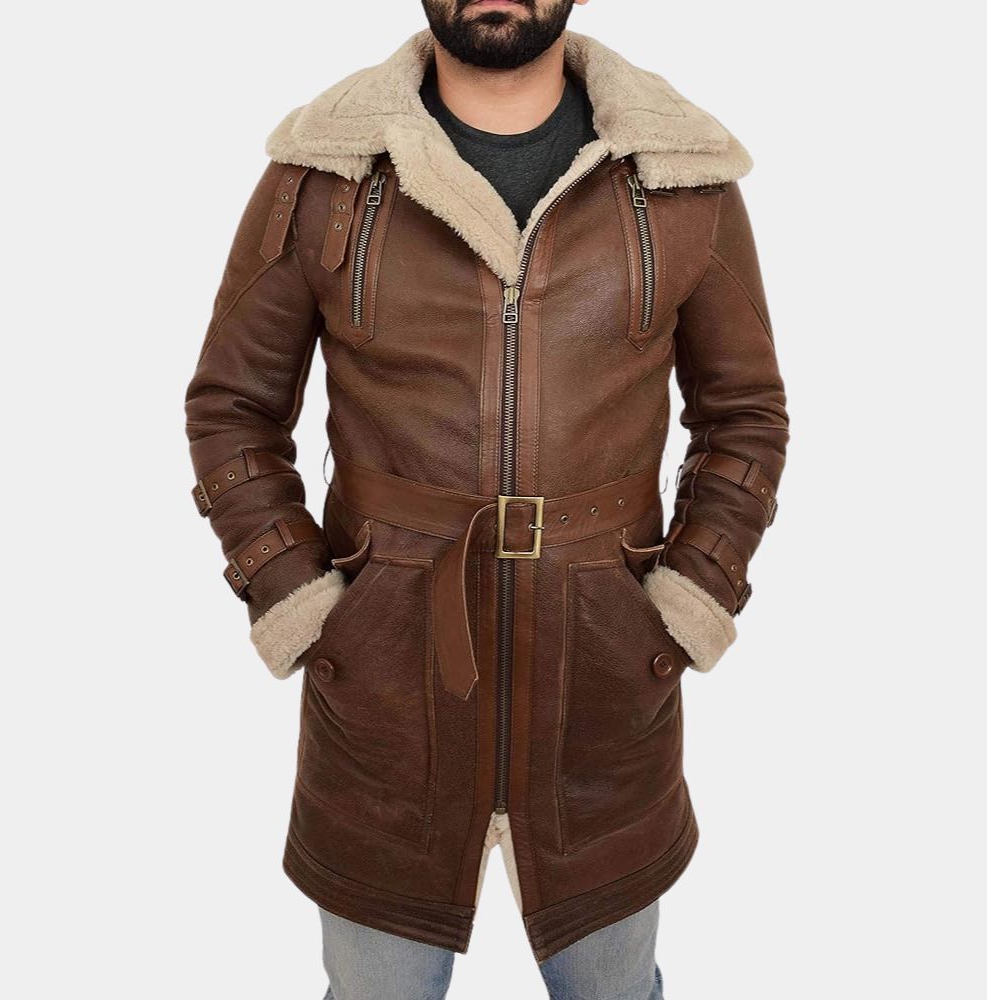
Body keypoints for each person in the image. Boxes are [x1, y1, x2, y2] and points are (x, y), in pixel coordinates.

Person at [184, 1, 789, 996]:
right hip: (385, 703)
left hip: (603, 698)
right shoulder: (324, 169)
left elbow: (745, 416)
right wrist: (304, 605)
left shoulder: (677, 172)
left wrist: (690, 597)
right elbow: (231, 408)